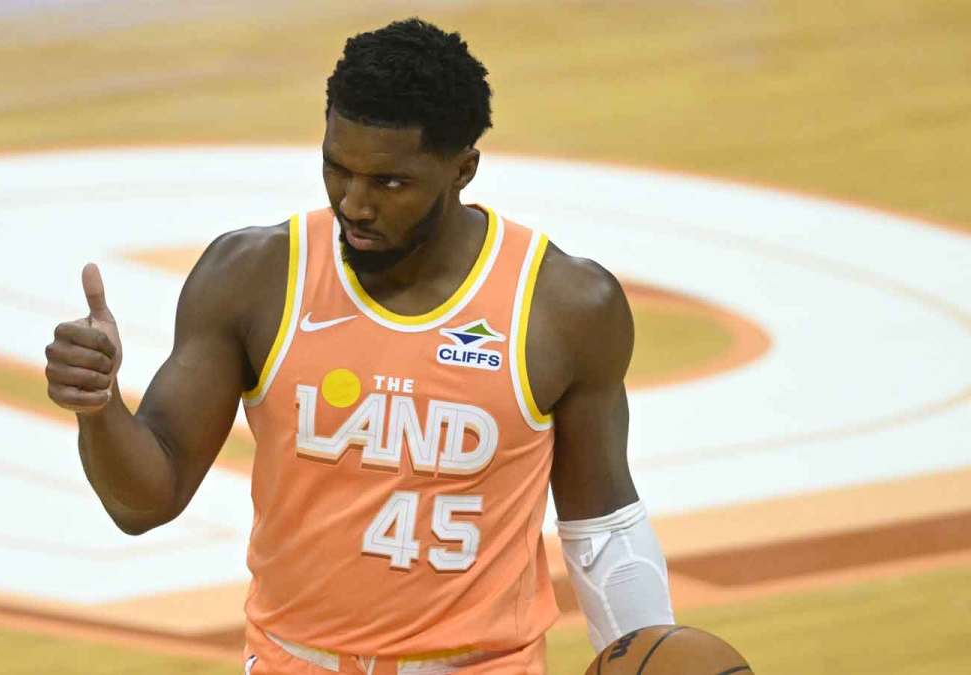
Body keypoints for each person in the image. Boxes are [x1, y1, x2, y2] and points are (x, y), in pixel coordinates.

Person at [44, 17, 674, 674]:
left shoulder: (563, 306)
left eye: (389, 183)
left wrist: (654, 651)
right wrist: (99, 406)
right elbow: (145, 501)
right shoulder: (253, 277)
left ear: (463, 169)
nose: (354, 204)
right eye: (335, 169)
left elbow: (602, 531)